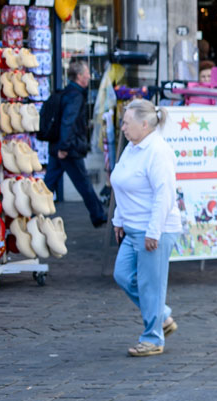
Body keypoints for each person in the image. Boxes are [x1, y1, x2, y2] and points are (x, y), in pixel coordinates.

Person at [110, 100, 181, 357]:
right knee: (123, 275)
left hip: (154, 230)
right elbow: (121, 185)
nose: (123, 128)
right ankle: (160, 315)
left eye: (126, 123)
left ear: (144, 124)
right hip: (132, 228)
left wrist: (154, 231)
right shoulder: (132, 147)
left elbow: (165, 194)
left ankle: (153, 339)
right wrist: (118, 219)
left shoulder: (157, 151)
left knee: (151, 286)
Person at [46, 60, 108, 227]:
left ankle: (32, 214)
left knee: (48, 184)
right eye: (87, 72)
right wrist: (64, 148)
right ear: (80, 76)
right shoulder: (75, 96)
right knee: (83, 182)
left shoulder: (70, 92)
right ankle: (98, 215)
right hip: (68, 149)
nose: (89, 75)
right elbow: (68, 122)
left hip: (60, 147)